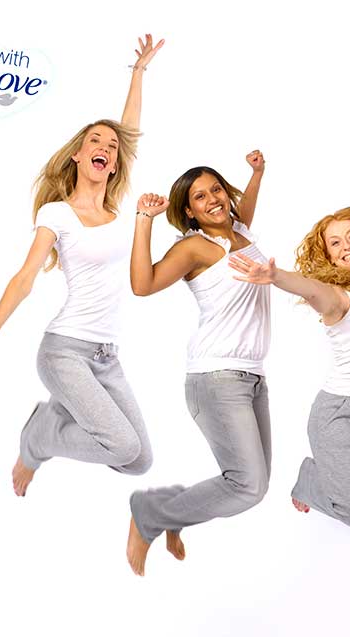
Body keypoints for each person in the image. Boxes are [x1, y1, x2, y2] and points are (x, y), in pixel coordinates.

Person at [0, 35, 165, 497]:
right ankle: (39, 437)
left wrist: (139, 72)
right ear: (79, 155)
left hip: (107, 356)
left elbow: (129, 130)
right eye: (94, 141)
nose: (105, 148)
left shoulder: (119, 211)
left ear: (115, 164)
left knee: (139, 460)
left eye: (111, 147)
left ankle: (57, 414)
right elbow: (25, 277)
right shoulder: (57, 214)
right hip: (64, 352)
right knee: (121, 445)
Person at [230, 136, 350, 527]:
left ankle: (342, 478)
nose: (346, 246)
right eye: (335, 243)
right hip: (341, 416)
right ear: (329, 256)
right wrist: (276, 276)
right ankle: (309, 479)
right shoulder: (337, 298)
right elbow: (310, 288)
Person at [124, 151, 269, 576]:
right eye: (200, 197)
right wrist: (144, 220)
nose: (213, 200)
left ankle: (171, 512)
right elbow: (142, 285)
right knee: (248, 485)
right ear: (188, 211)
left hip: (252, 376)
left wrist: (256, 174)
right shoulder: (194, 248)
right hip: (216, 377)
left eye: (216, 190)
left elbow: (242, 213)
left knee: (254, 483)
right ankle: (152, 514)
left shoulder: (239, 232)